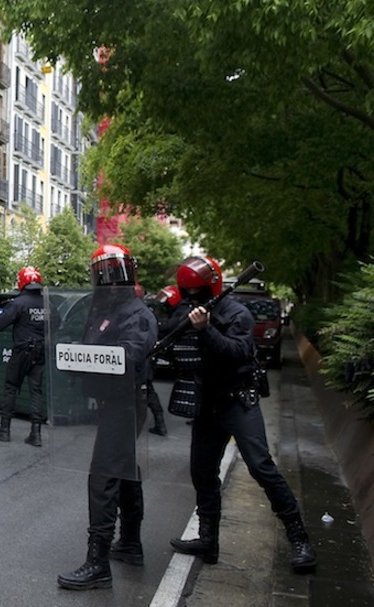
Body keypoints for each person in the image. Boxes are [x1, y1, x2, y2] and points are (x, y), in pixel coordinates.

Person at [166, 256, 316, 574]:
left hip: (238, 401)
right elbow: (173, 338)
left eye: (196, 292)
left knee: (262, 467)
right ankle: (208, 539)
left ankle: (299, 537)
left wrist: (205, 330)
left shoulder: (238, 314)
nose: (192, 298)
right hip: (207, 402)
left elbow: (236, 353)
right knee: (202, 472)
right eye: (187, 292)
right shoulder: (190, 309)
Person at [57, 244, 158, 591]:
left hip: (127, 402)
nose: (111, 283)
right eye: (104, 275)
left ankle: (98, 562)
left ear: (129, 275)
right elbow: (86, 342)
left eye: (117, 275)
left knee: (102, 478)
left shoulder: (137, 313)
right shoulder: (104, 310)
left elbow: (128, 355)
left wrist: (85, 357)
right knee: (125, 472)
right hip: (110, 401)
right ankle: (130, 543)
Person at [0, 266, 57, 447]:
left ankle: (4, 429)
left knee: (10, 386)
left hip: (23, 350)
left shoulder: (19, 303)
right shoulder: (48, 302)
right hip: (40, 351)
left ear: (22, 282)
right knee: (36, 390)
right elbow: (58, 322)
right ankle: (36, 433)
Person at [145, 284, 181, 436]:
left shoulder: (176, 316)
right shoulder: (166, 313)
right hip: (154, 350)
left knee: (145, 387)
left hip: (155, 351)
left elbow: (166, 329)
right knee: (145, 387)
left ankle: (160, 424)